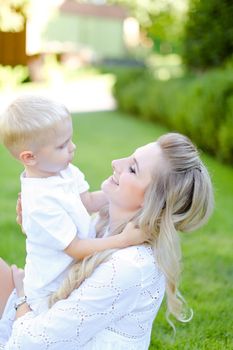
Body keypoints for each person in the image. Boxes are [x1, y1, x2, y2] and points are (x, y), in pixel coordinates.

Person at [0, 133, 214, 349]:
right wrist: (39, 230)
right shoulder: (105, 225)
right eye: (130, 157)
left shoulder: (130, 265)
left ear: (151, 201)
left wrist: (22, 297)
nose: (116, 163)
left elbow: (31, 343)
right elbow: (68, 255)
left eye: (132, 169)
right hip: (45, 315)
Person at [0, 95, 142, 316]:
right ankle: (22, 298)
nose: (72, 148)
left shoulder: (65, 171)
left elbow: (88, 202)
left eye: (70, 139)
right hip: (51, 288)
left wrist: (122, 191)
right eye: (62, 145)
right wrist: (122, 240)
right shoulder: (40, 201)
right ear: (29, 157)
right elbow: (75, 248)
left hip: (74, 273)